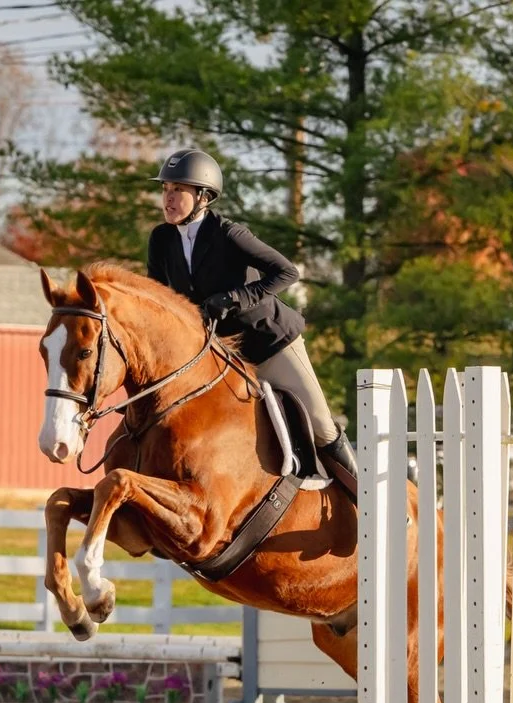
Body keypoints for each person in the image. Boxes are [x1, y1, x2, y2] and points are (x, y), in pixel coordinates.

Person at [144, 147, 358, 492]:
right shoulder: (161, 240)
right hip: (218, 353)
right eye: (165, 190)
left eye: (177, 191)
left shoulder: (229, 234)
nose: (167, 199)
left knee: (320, 423)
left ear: (203, 196)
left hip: (267, 342)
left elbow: (286, 272)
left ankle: (368, 499)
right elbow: (159, 297)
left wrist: (234, 297)